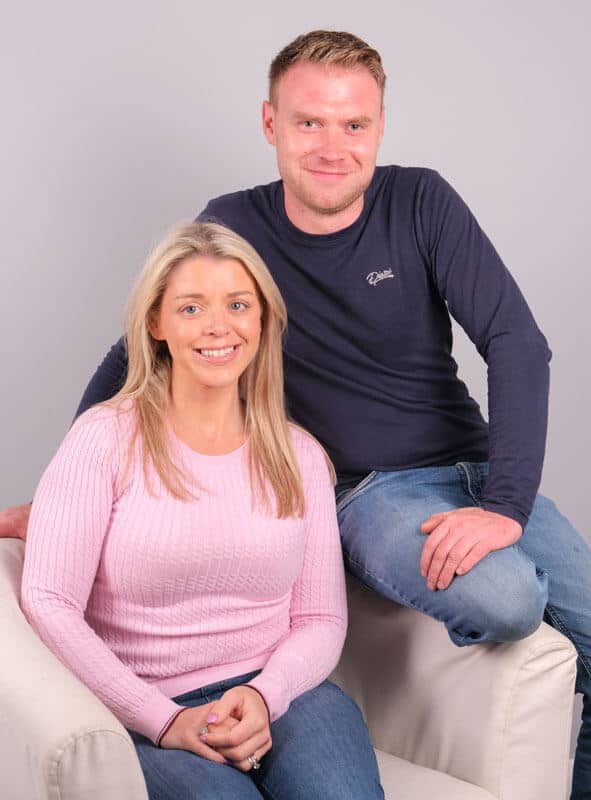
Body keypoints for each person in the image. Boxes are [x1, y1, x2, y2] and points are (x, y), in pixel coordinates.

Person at [3, 28, 589, 799]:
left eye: (353, 124)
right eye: (308, 122)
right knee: (508, 599)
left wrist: (505, 505)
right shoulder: (237, 225)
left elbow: (516, 342)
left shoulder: (421, 199)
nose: (331, 146)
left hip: (473, 467)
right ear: (271, 124)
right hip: (370, 491)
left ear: (379, 125)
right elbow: (134, 355)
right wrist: (69, 496)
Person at [20, 221, 385, 800]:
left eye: (238, 304)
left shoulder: (301, 456)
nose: (219, 326)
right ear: (156, 324)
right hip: (146, 709)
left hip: (282, 696)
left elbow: (320, 619)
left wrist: (267, 694)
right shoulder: (104, 438)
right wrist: (162, 719)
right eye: (191, 308)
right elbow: (49, 601)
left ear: (261, 321)